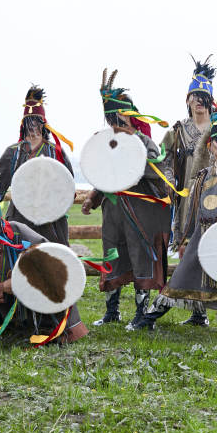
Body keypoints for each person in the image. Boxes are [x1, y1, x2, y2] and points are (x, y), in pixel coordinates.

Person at [133, 105, 217, 336]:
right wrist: (185, 238)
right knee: (181, 277)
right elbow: (192, 210)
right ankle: (149, 316)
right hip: (201, 238)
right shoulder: (202, 176)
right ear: (209, 145)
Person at [82, 69, 172, 330]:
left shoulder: (145, 143)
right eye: (112, 120)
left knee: (140, 257)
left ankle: (142, 315)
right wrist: (92, 198)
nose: (115, 125)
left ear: (129, 118)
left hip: (141, 213)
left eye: (119, 120)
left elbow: (162, 175)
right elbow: (103, 173)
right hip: (114, 211)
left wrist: (142, 171)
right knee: (113, 254)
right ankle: (112, 312)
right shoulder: (108, 142)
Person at [0, 179, 88, 345]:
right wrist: (2, 287)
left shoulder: (18, 230)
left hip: (29, 294)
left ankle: (44, 326)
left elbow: (50, 255)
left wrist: (26, 277)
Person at [157, 55, 217, 327]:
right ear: (188, 99)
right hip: (185, 200)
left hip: (215, 198)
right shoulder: (177, 131)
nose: (198, 102)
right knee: (188, 251)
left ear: (210, 101)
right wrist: (170, 183)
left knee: (213, 250)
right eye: (194, 96)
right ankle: (198, 312)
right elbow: (164, 161)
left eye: (203, 97)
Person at [0, 85, 74, 244]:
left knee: (54, 262)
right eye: (29, 121)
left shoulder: (56, 152)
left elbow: (68, 185)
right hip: (20, 219)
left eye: (36, 121)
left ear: (43, 124)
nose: (32, 125)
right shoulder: (14, 152)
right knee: (20, 263)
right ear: (23, 123)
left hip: (51, 222)